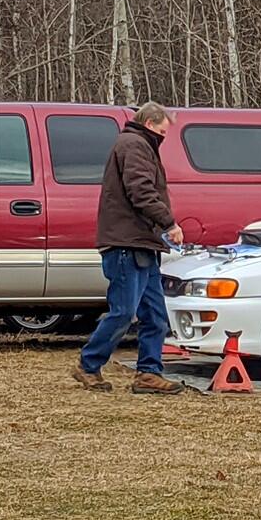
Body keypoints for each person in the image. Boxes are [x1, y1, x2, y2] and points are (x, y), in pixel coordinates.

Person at [72, 101, 185, 394]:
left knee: (155, 315)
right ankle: (88, 364)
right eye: (162, 131)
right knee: (123, 312)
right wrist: (169, 223)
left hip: (140, 244)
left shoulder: (137, 144)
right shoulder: (135, 145)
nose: (163, 137)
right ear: (150, 124)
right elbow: (141, 191)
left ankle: (148, 372)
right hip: (125, 244)